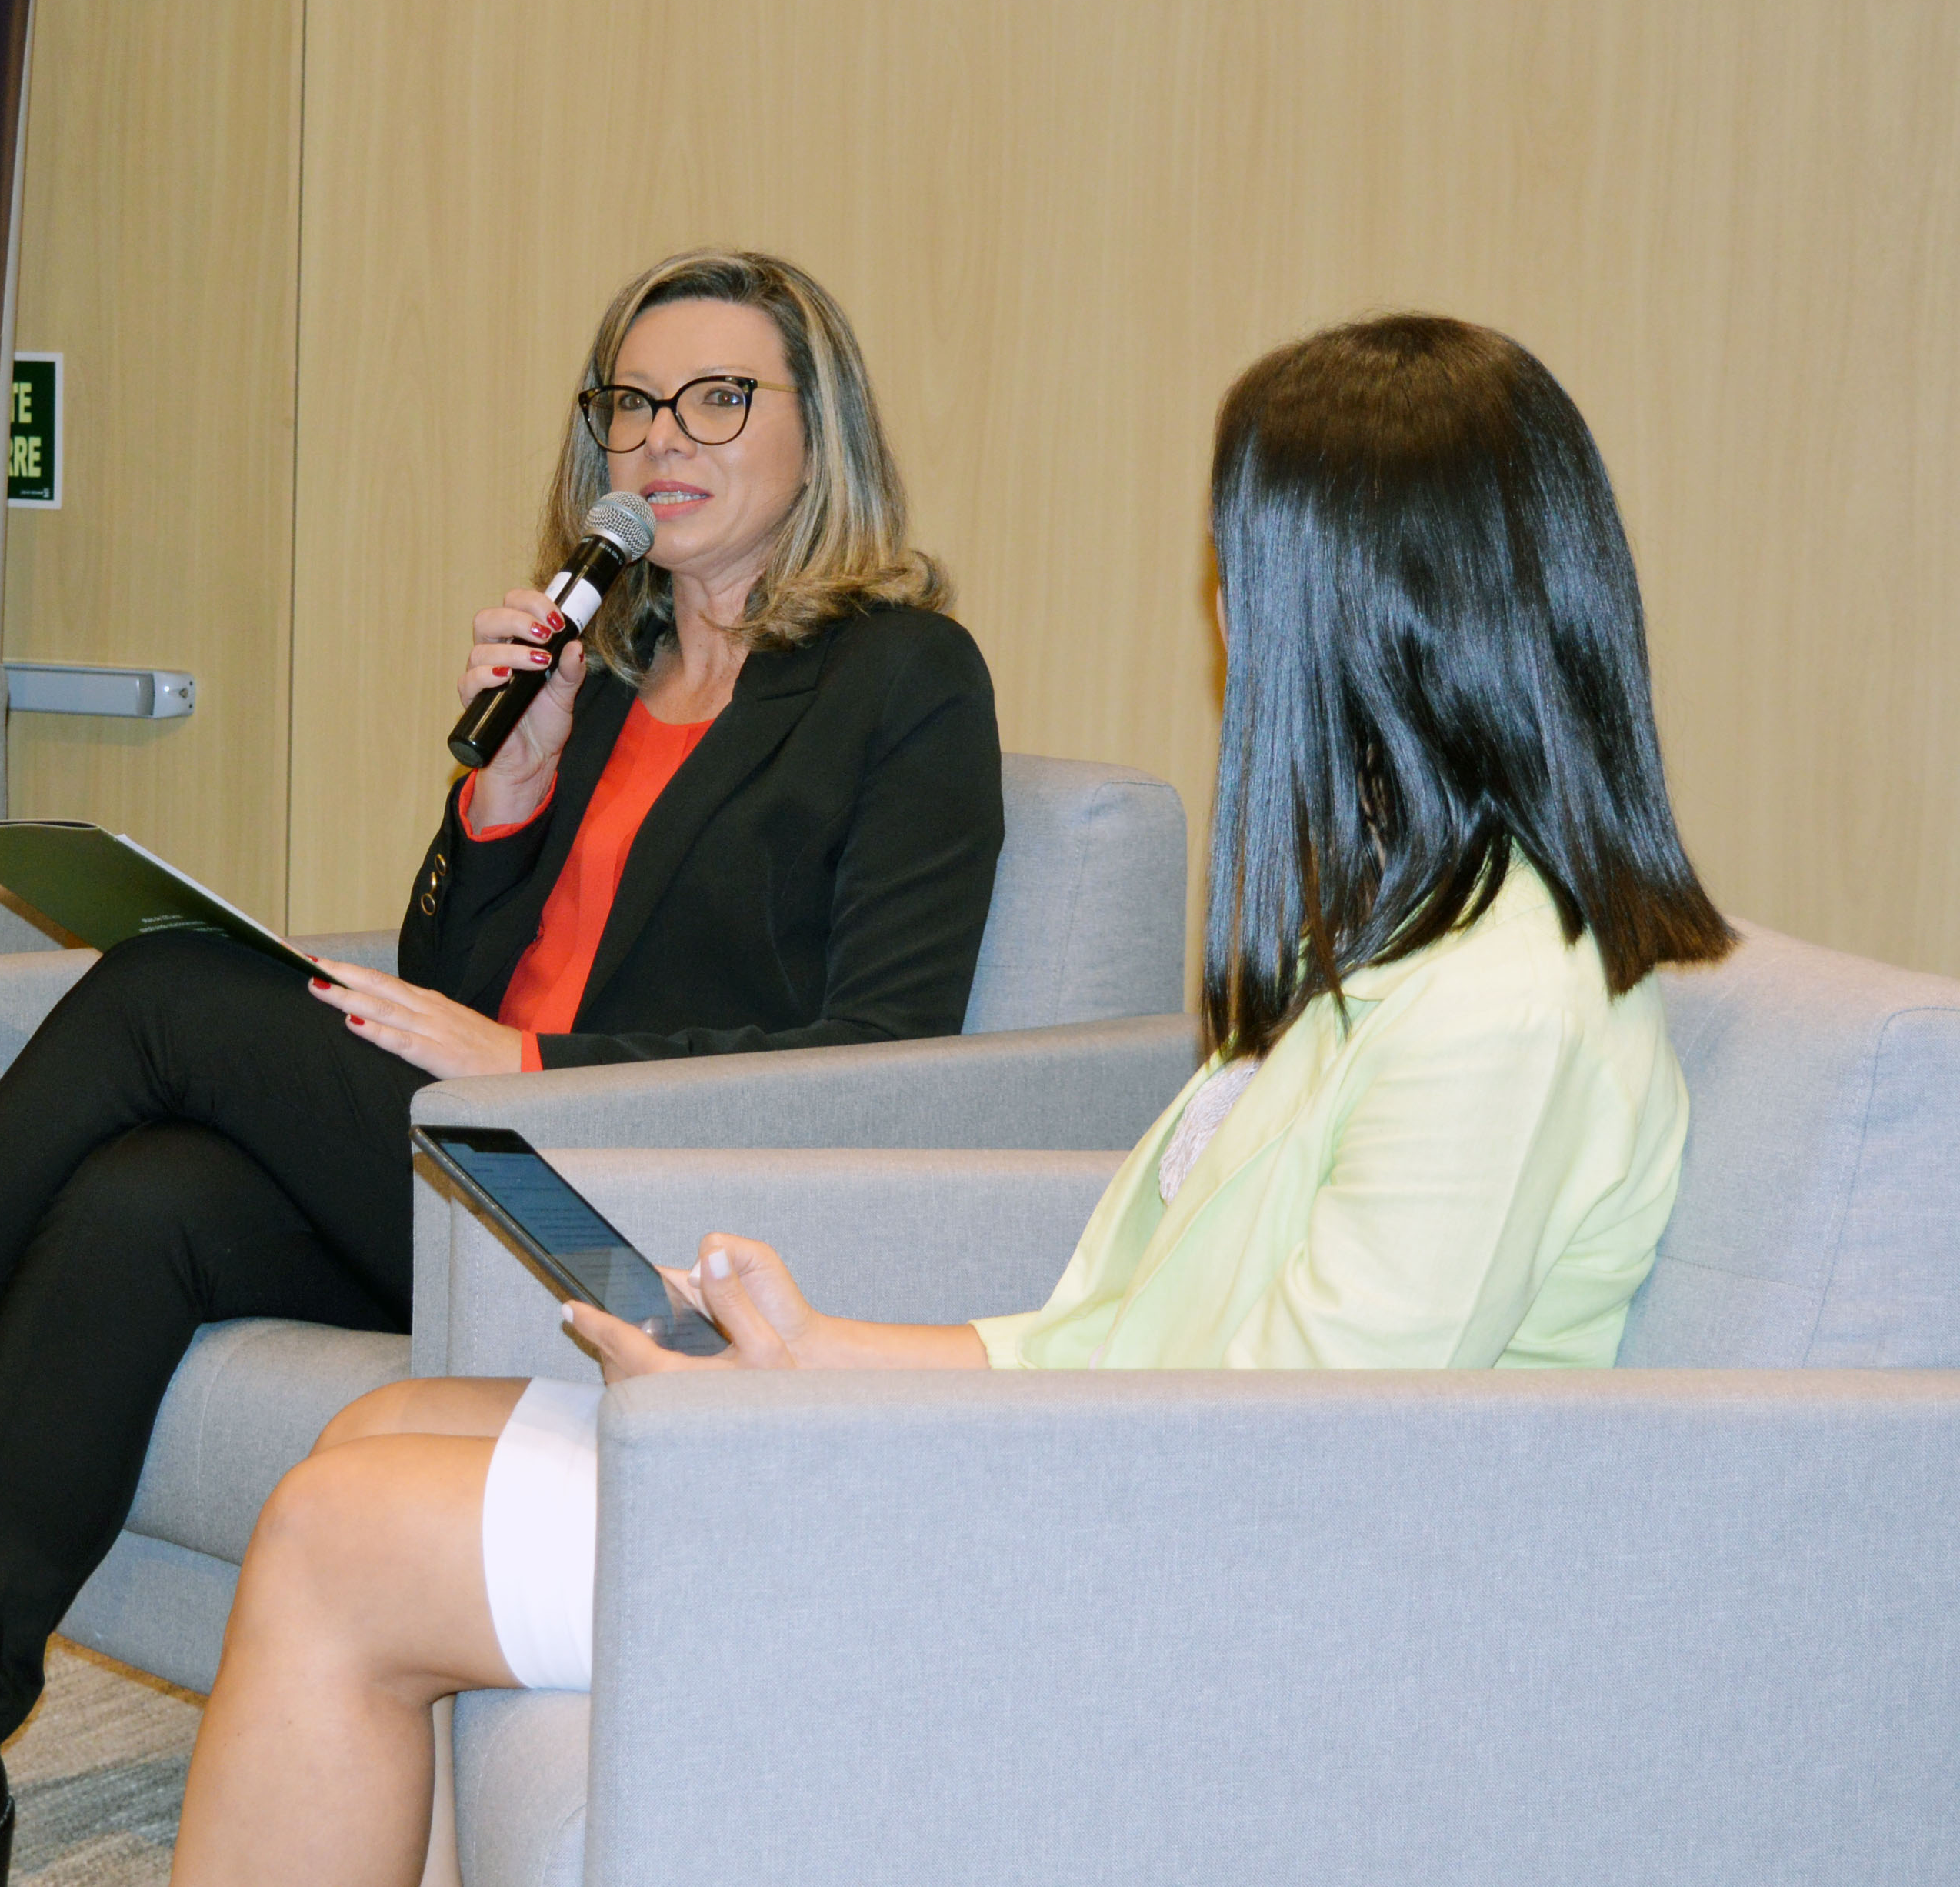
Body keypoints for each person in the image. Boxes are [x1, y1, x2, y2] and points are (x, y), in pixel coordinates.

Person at [0, 248, 1006, 1886]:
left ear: (817, 431)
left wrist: (534, 1056)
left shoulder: (902, 677)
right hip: (476, 1159)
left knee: (168, 985)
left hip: (643, 1212)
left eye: (718, 399)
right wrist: (508, 794)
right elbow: (454, 984)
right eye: (631, 403)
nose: (662, 437)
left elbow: (882, 1049)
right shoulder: (597, 668)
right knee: (136, 1203)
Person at [166, 312, 1738, 1887]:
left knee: (342, 1535)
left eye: (1242, 575)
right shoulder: (1396, 943)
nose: (1224, 616)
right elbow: (1118, 1335)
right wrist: (812, 1355)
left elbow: (1292, 1459)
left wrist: (849, 1438)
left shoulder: (1501, 1006)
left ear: (1374, 618)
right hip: (1090, 1488)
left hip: (1158, 1580)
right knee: (383, 1426)